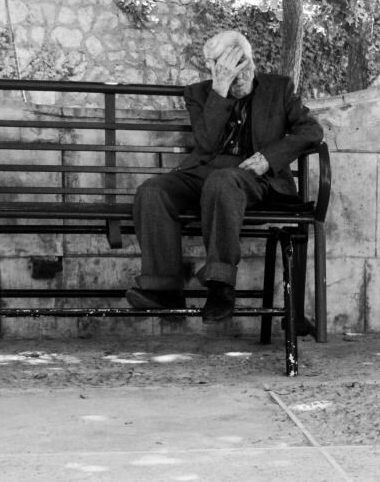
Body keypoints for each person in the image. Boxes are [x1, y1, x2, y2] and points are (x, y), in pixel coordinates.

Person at [126, 30, 323, 322]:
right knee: (152, 191)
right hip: (203, 173)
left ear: (252, 59)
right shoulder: (199, 93)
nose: (239, 75)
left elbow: (311, 131)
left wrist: (270, 158)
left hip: (254, 179)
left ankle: (221, 286)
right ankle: (163, 288)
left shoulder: (278, 88)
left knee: (223, 181)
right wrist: (220, 90)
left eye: (243, 64)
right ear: (214, 68)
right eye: (229, 68)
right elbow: (205, 144)